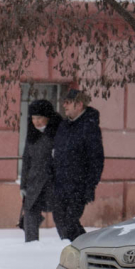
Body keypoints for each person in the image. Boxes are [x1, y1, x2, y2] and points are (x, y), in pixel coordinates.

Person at [52, 88, 105, 241]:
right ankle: (80, 248)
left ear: (79, 104)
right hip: (60, 185)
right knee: (61, 221)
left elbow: (96, 160)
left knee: (69, 222)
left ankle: (85, 247)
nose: (64, 106)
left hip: (78, 187)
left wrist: (90, 186)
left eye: (68, 102)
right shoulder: (64, 126)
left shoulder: (89, 127)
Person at [20, 99, 62, 242]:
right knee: (30, 214)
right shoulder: (32, 134)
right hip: (34, 182)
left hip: (54, 182)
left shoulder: (59, 133)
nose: (36, 122)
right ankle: (30, 245)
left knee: (62, 216)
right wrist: (23, 185)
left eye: (39, 118)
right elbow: (26, 160)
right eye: (33, 118)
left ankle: (69, 242)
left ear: (48, 117)